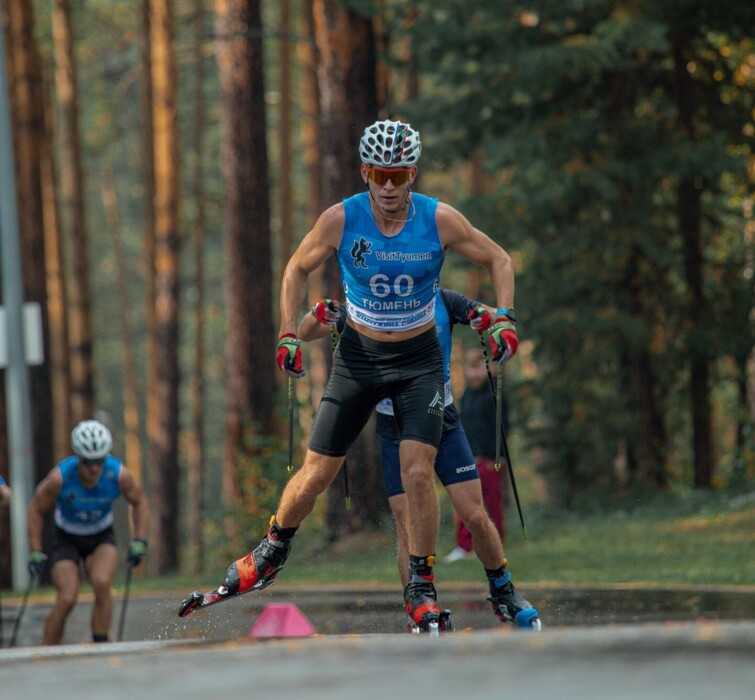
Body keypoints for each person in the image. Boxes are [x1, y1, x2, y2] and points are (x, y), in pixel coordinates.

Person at [217, 118, 523, 632]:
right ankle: (270, 549)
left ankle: (421, 586)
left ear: (413, 176)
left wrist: (506, 318)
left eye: (399, 176)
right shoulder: (341, 219)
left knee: (418, 472)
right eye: (380, 174)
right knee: (317, 473)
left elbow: (499, 258)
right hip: (359, 359)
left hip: (419, 363)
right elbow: (296, 267)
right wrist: (288, 333)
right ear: (364, 171)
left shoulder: (440, 219)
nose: (388, 187)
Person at [299, 293, 540, 628]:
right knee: (405, 521)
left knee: (474, 514)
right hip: (394, 425)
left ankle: (503, 589)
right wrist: (317, 313)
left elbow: (495, 316)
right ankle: (419, 605)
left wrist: (498, 326)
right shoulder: (369, 304)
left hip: (442, 418)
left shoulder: (441, 297)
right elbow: (307, 330)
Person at [27, 420, 149, 645]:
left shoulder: (118, 474)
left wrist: (140, 539)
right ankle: (47, 651)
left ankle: (101, 645)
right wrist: (35, 550)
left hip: (101, 535)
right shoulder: (60, 478)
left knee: (102, 582)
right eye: (88, 462)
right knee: (67, 597)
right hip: (66, 538)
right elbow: (35, 508)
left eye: (99, 461)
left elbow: (139, 501)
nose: (94, 468)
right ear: (78, 458)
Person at [444, 349, 509, 563]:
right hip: (468, 457)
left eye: (481, 367)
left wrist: (497, 457)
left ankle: (496, 543)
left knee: (492, 502)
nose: (476, 373)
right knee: (466, 502)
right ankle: (465, 545)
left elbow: (502, 428)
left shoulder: (494, 393)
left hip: (490, 459)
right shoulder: (466, 396)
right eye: (472, 368)